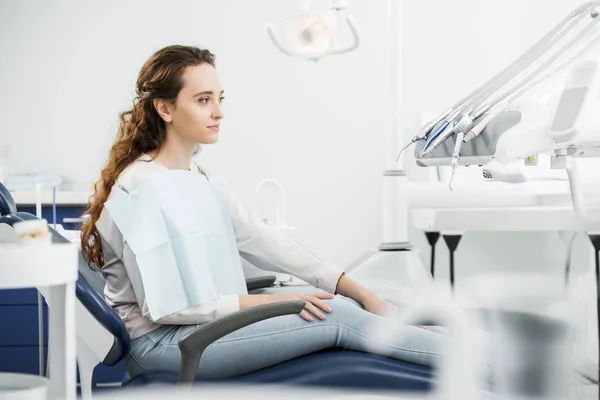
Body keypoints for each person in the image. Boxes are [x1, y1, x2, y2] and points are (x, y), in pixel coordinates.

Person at [80, 45, 447, 380]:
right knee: (339, 318)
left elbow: (265, 240)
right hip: (164, 346)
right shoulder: (143, 190)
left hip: (199, 330)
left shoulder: (197, 178)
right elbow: (173, 308)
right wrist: (279, 302)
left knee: (355, 304)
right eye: (203, 100)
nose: (219, 112)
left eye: (220, 98)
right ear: (165, 108)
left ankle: (459, 351)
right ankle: (479, 364)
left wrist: (361, 291)